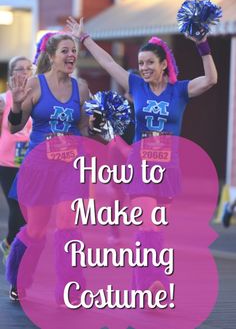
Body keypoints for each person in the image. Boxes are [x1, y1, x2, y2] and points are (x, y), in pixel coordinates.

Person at [66, 17, 218, 300]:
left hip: (168, 169)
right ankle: (153, 283)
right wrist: (85, 39)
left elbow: (211, 80)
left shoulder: (179, 91)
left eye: (150, 62)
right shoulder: (136, 85)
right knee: (148, 226)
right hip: (140, 168)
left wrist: (202, 45)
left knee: (155, 230)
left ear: (163, 64)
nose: (145, 68)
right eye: (141, 63)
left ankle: (141, 282)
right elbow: (110, 64)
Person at [5, 32, 96, 301]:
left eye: (74, 51)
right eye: (65, 51)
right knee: (36, 229)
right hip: (40, 167)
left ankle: (70, 286)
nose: (71, 56)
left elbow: (83, 128)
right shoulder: (35, 84)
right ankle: (19, 278)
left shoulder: (80, 87)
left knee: (68, 225)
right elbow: (14, 126)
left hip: (70, 167)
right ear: (52, 56)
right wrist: (18, 105)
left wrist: (96, 126)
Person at [0, 56, 32, 265]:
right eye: (19, 69)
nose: (24, 72)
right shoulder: (4, 99)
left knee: (28, 210)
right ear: (12, 74)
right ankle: (11, 245)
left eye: (28, 68)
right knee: (16, 206)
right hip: (8, 161)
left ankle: (13, 244)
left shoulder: (37, 96)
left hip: (31, 161)